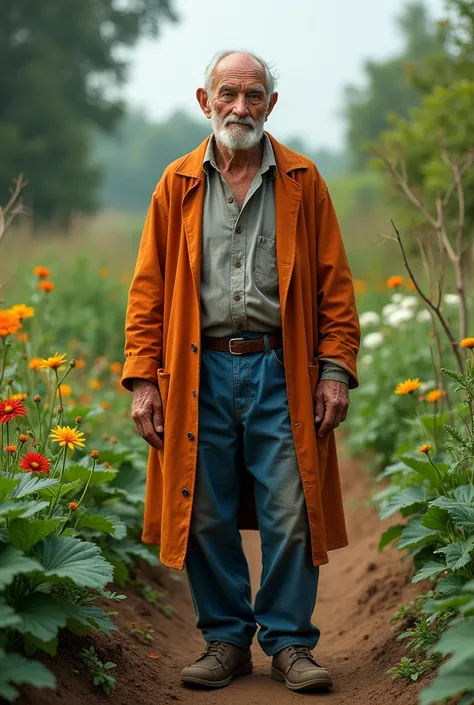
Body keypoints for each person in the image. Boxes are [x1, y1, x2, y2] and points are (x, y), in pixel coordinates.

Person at [121, 49, 360, 693]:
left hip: (282, 369)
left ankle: (288, 642)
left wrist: (334, 369)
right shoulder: (176, 184)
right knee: (202, 506)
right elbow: (147, 292)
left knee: (291, 505)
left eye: (254, 95)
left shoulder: (304, 180)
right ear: (205, 102)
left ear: (271, 105)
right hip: (197, 374)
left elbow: (334, 287)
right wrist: (145, 379)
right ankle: (224, 639)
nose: (240, 108)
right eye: (228, 94)